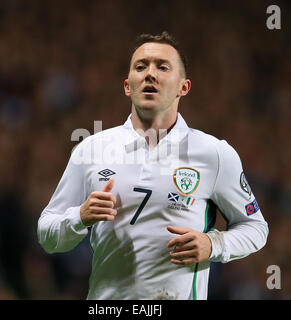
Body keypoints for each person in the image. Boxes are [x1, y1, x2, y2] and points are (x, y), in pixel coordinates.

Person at [37, 32, 269, 300]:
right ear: (127, 85)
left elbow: (256, 228)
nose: (150, 74)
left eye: (162, 67)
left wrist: (214, 244)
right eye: (141, 66)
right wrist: (80, 216)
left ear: (184, 87)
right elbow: (47, 234)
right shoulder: (92, 149)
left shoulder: (214, 154)